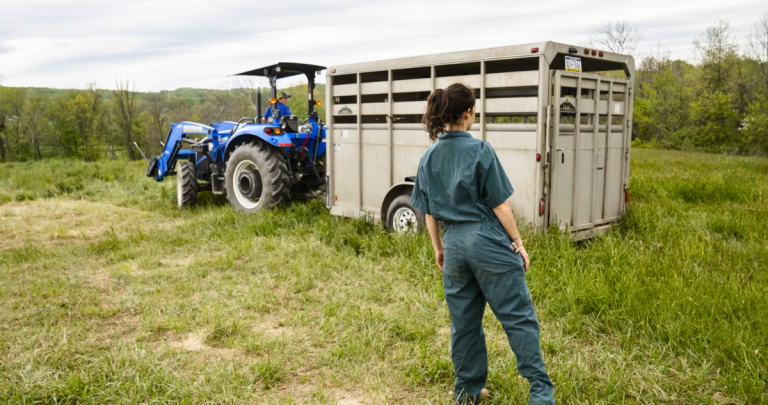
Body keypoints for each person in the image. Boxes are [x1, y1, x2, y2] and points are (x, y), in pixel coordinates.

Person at [410, 83, 555, 405]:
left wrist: (439, 248)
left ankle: (467, 391)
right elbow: (500, 205)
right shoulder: (480, 150)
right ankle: (541, 394)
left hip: (455, 244)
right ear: (467, 112)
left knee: (464, 322)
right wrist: (517, 242)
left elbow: (430, 212)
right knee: (517, 316)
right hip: (487, 239)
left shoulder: (429, 157)